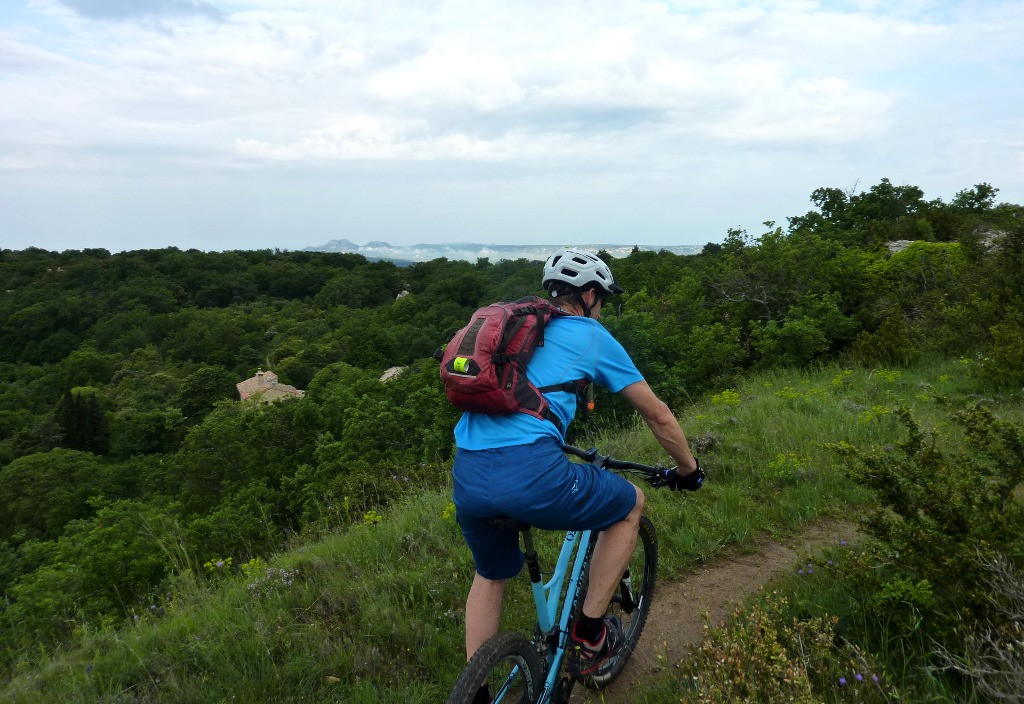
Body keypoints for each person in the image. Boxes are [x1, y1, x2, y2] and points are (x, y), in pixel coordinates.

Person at [451, 248, 702, 686]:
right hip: (531, 473)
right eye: (602, 298)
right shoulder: (589, 335)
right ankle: (589, 634)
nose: (601, 308)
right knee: (629, 504)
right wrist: (689, 470)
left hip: (469, 475)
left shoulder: (514, 335)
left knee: (490, 575)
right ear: (588, 295)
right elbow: (658, 415)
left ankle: (475, 689)